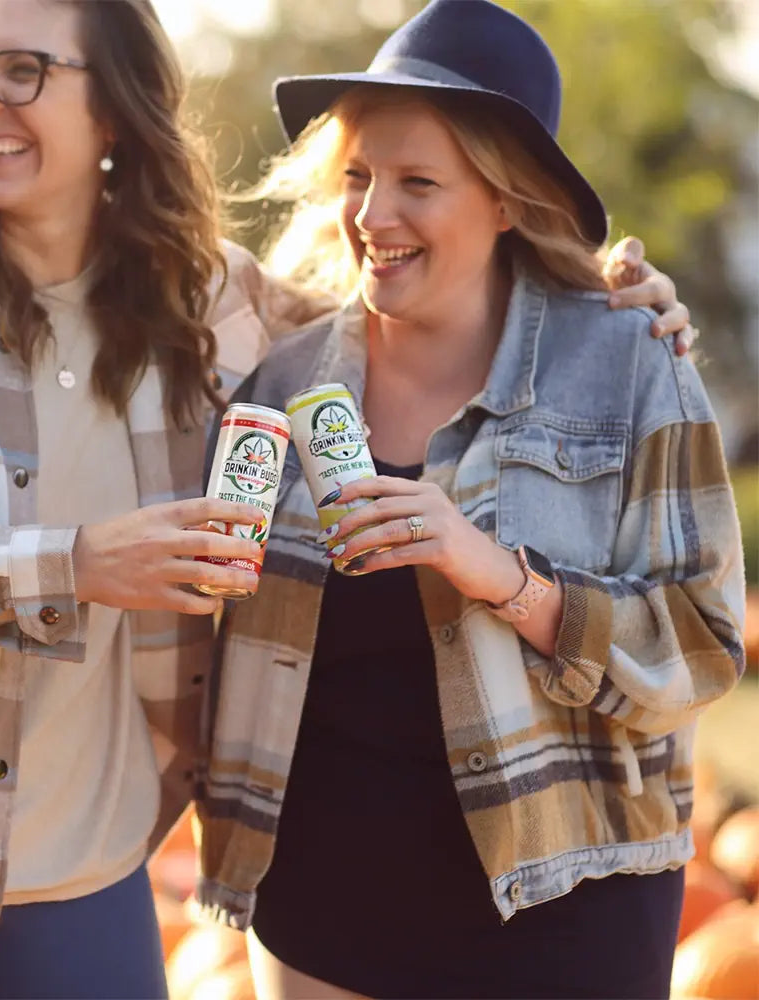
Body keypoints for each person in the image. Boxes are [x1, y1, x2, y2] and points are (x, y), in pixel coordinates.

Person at [0, 0, 695, 997]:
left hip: (94, 889)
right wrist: (72, 562)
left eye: (21, 70)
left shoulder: (206, 302)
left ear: (114, 110)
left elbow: (415, 305)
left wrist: (599, 295)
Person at [193, 3, 747, 999]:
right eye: (357, 177)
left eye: (418, 182)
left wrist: (494, 573)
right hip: (321, 916)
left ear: (505, 200)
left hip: (565, 910)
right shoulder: (276, 381)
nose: (372, 215)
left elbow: (701, 647)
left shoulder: (626, 368)